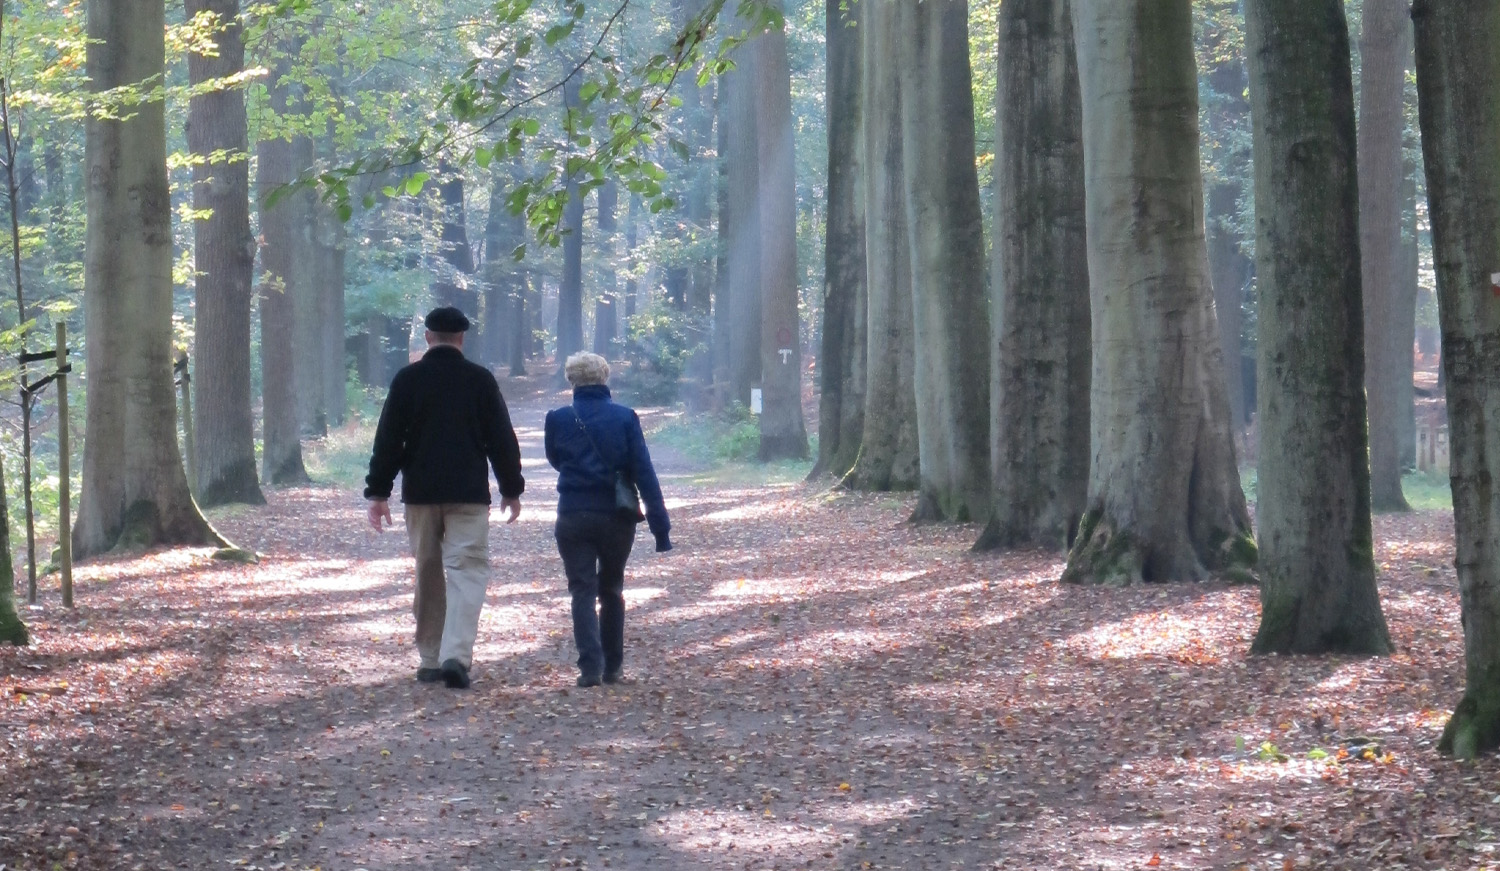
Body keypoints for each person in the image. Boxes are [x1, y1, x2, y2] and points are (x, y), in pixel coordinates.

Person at [364, 305, 525, 690]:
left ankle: (430, 658)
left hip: (420, 493)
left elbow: (389, 439)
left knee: (428, 571)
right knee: (467, 571)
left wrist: (378, 491)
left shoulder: (407, 380)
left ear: (427, 337)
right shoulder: (480, 380)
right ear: (462, 339)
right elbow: (501, 437)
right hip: (468, 494)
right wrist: (511, 487)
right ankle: (456, 655)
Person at [544, 352, 671, 688]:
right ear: (605, 379)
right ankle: (613, 667)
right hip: (616, 517)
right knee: (612, 588)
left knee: (581, 590)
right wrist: (661, 526)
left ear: (572, 380)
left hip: (572, 514)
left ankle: (589, 668)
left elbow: (555, 459)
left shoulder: (557, 418)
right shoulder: (625, 418)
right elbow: (644, 471)